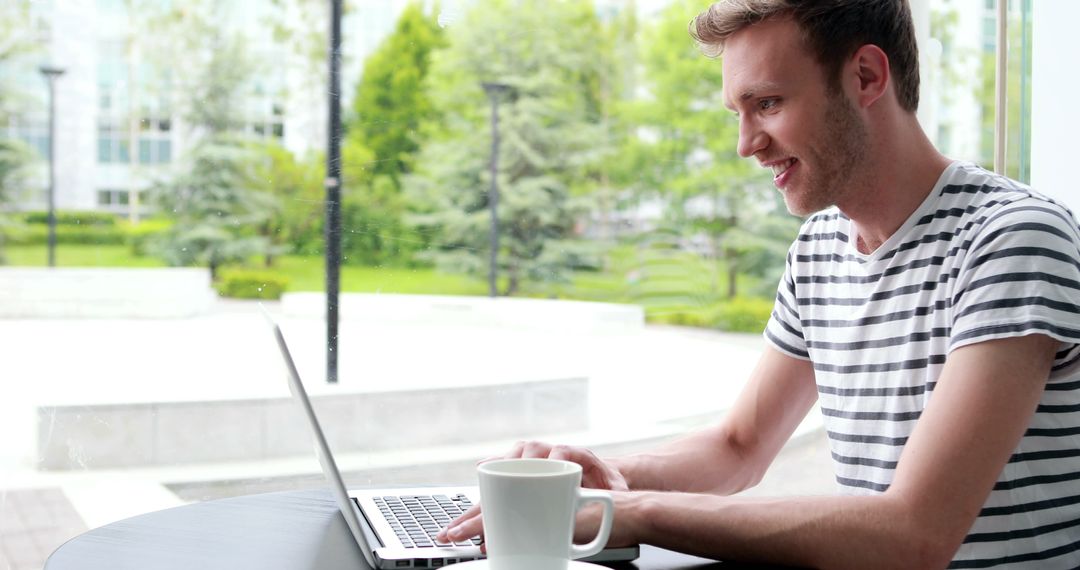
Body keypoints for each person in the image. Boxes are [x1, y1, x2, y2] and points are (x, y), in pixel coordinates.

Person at [438, 1, 1080, 568]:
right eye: (736, 111)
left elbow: (911, 536)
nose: (746, 144)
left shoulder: (1013, 239)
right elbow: (737, 448)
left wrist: (629, 512)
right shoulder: (819, 250)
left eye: (767, 103)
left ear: (866, 77)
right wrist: (589, 481)